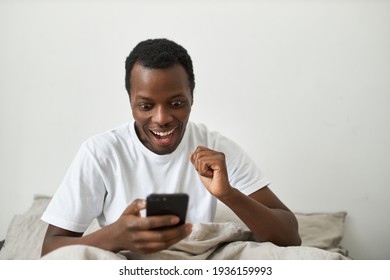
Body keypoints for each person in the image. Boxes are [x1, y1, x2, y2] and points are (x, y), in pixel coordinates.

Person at [41, 38, 301, 257]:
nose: (162, 118)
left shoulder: (214, 149)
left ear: (192, 98)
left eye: (176, 103)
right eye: (145, 106)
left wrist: (228, 194)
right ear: (130, 101)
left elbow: (290, 236)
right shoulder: (100, 153)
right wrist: (115, 236)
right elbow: (50, 250)